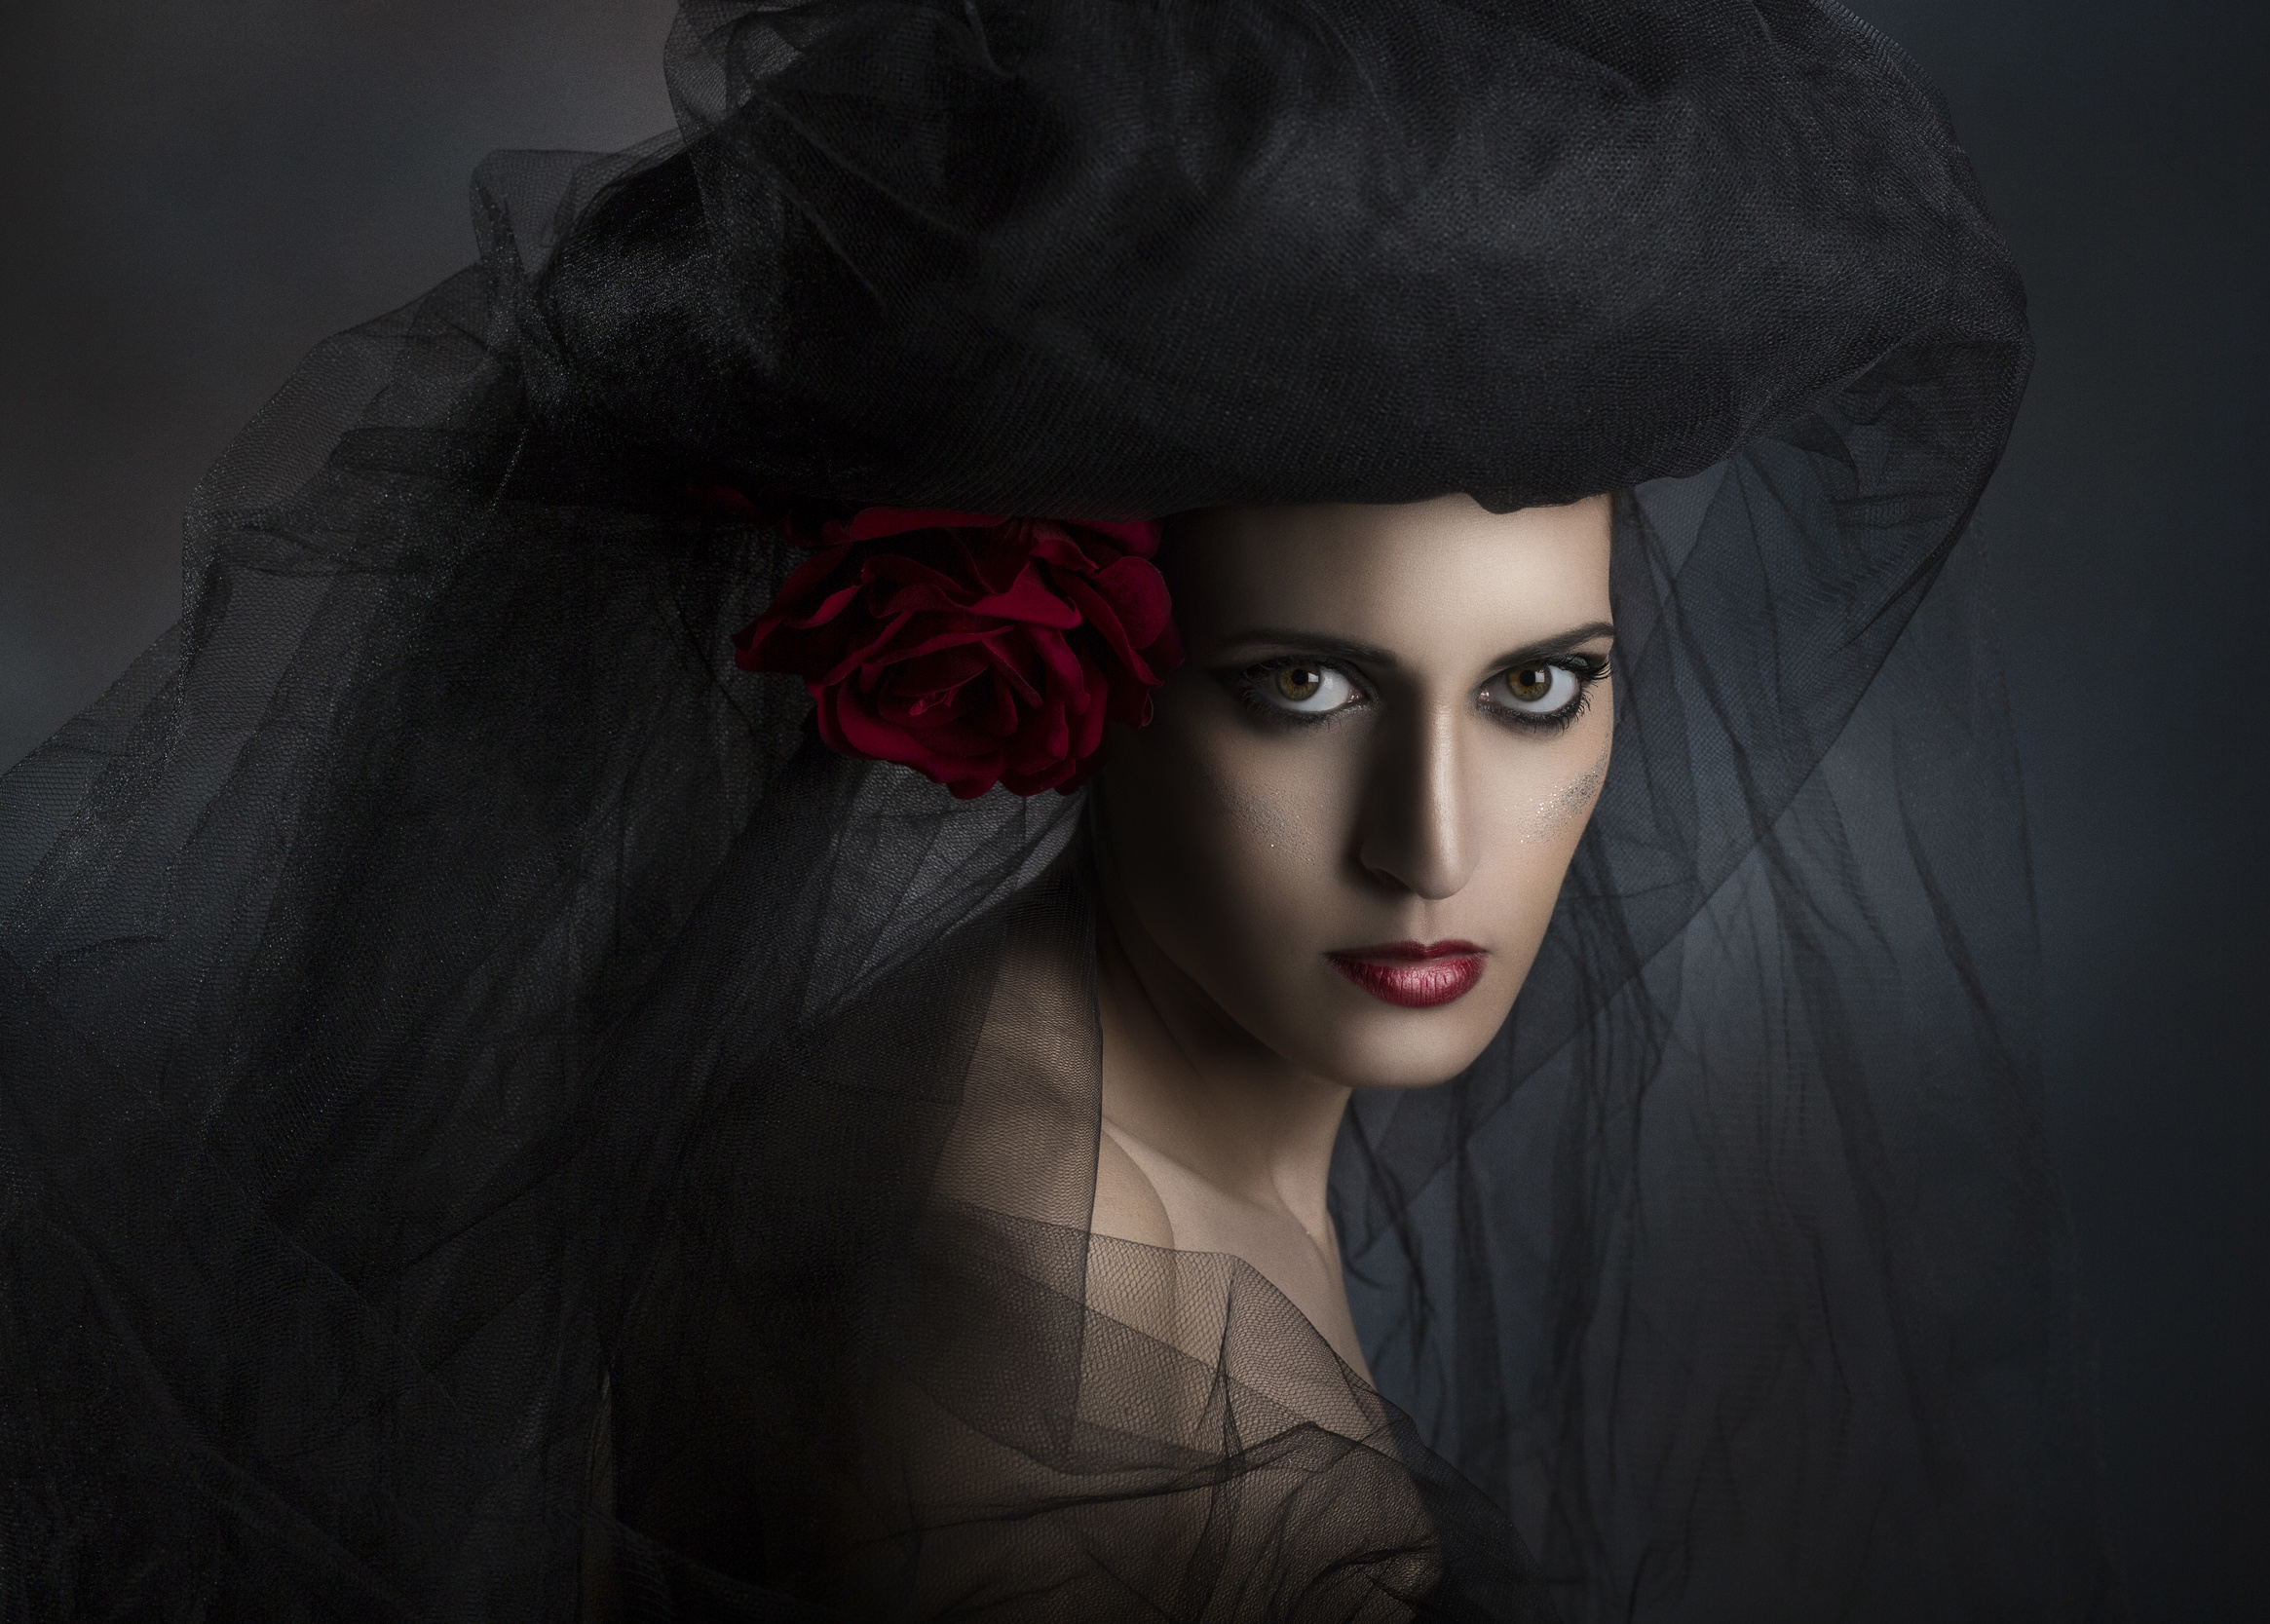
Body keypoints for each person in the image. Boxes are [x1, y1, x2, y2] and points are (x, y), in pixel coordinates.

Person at [0, 0, 2123, 1618]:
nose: (1429, 841)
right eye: (1302, 689)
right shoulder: (1019, 1320)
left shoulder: (1113, 1119)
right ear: (1094, 676)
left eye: (1537, 687)